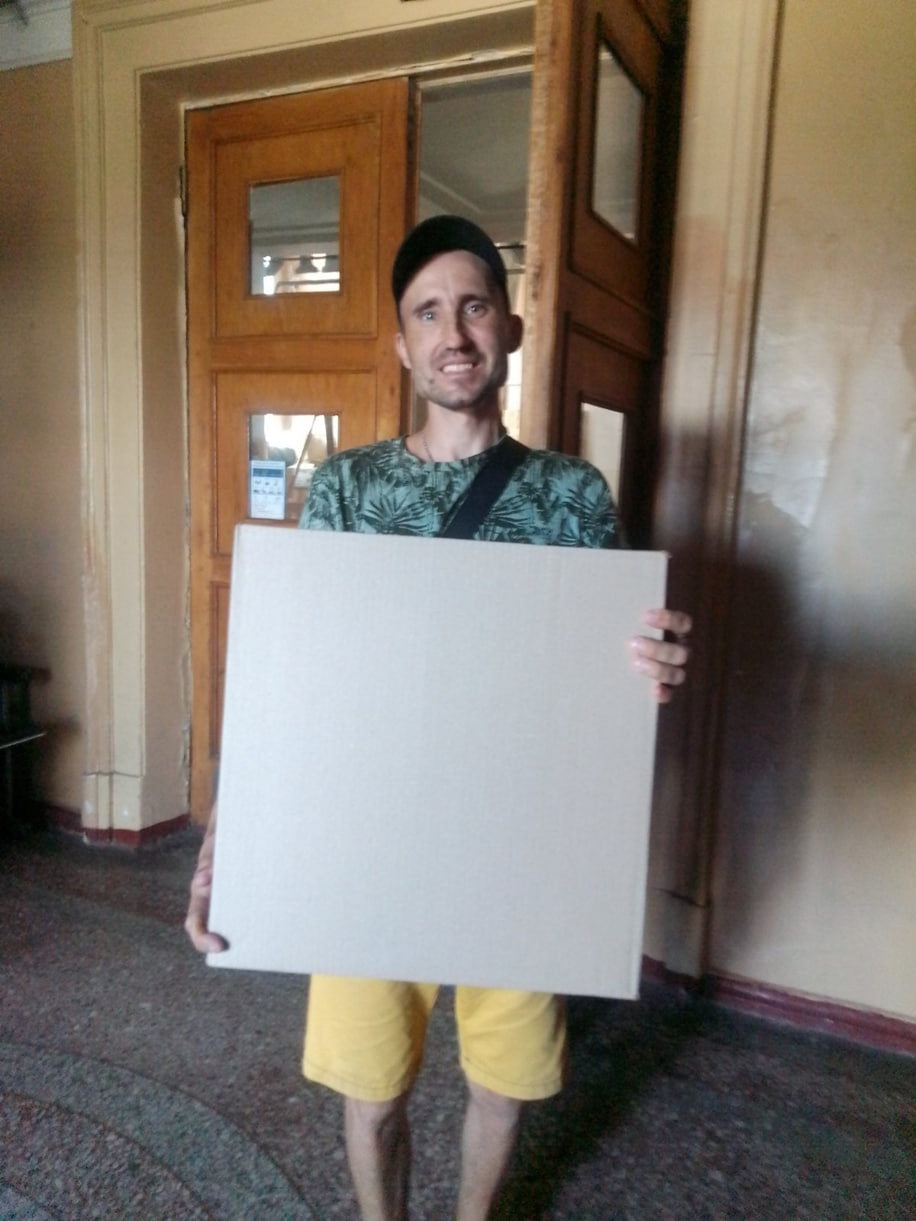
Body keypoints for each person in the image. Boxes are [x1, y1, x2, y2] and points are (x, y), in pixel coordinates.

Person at [186, 215, 692, 1221]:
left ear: (508, 327)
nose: (452, 333)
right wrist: (223, 849)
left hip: (521, 836)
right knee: (371, 1093)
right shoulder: (348, 487)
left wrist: (652, 667)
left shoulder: (571, 494)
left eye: (472, 307)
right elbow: (295, 687)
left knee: (502, 1088)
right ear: (402, 344)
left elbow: (601, 692)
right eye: (427, 313)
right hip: (369, 838)